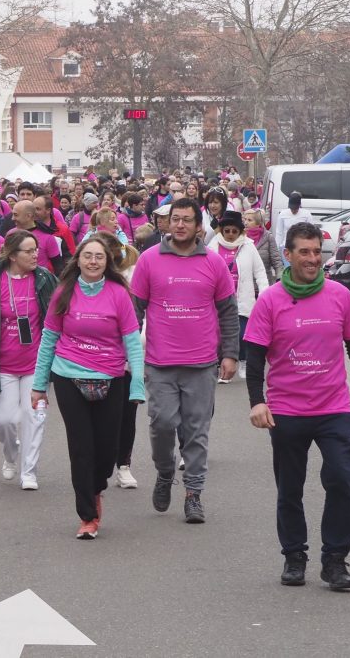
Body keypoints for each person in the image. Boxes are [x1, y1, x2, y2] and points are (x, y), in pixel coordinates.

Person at [245, 221, 350, 590]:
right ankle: (294, 556)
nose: (313, 258)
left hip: (333, 409)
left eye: (317, 251)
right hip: (287, 411)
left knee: (341, 478)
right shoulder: (271, 300)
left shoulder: (339, 295)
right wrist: (256, 401)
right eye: (305, 251)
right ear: (288, 255)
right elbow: (255, 356)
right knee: (290, 487)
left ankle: (335, 560)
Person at [131, 197, 238, 524]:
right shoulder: (149, 260)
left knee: (196, 431)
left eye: (186, 220)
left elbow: (228, 312)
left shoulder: (214, 263)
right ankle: (165, 473)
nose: (179, 225)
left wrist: (231, 354)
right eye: (174, 219)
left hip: (202, 363)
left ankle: (193, 494)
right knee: (162, 424)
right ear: (167, 223)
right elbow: (133, 310)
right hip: (160, 362)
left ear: (198, 226)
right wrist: (127, 353)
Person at [32, 232, 145, 539]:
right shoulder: (64, 291)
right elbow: (49, 339)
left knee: (106, 451)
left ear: (107, 262)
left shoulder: (119, 292)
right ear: (77, 259)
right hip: (69, 375)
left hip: (110, 376)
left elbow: (132, 341)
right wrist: (39, 385)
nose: (93, 261)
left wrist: (137, 384)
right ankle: (87, 515)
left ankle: (96, 488)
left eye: (99, 257)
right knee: (81, 448)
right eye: (87, 256)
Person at [0, 230, 58, 490]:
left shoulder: (44, 279)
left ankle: (29, 471)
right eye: (28, 251)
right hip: (2, 365)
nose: (35, 255)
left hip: (35, 365)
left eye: (36, 250)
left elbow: (59, 314)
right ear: (13, 255)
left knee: (34, 418)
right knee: (4, 420)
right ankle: (11, 455)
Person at [206, 210, 269, 382]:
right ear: (222, 231)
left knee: (241, 334)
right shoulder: (212, 247)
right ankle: (222, 367)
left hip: (242, 300)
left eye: (235, 231)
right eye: (227, 231)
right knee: (219, 335)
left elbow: (260, 272)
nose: (231, 235)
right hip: (217, 301)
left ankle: (242, 360)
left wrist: (264, 293)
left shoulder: (248, 246)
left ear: (240, 231)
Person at [245, 209, 280, 286]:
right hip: (246, 286)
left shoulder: (268, 237)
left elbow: (276, 260)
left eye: (249, 220)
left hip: (264, 284)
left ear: (258, 223)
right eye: (245, 219)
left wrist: (280, 278)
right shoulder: (242, 237)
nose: (246, 223)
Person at [275, 191, 314, 260]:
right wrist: (278, 248)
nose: (293, 210)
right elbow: (279, 233)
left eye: (295, 208)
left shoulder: (306, 214)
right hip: (287, 246)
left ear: (299, 205)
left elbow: (312, 232)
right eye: (291, 208)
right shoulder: (283, 214)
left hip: (302, 247)